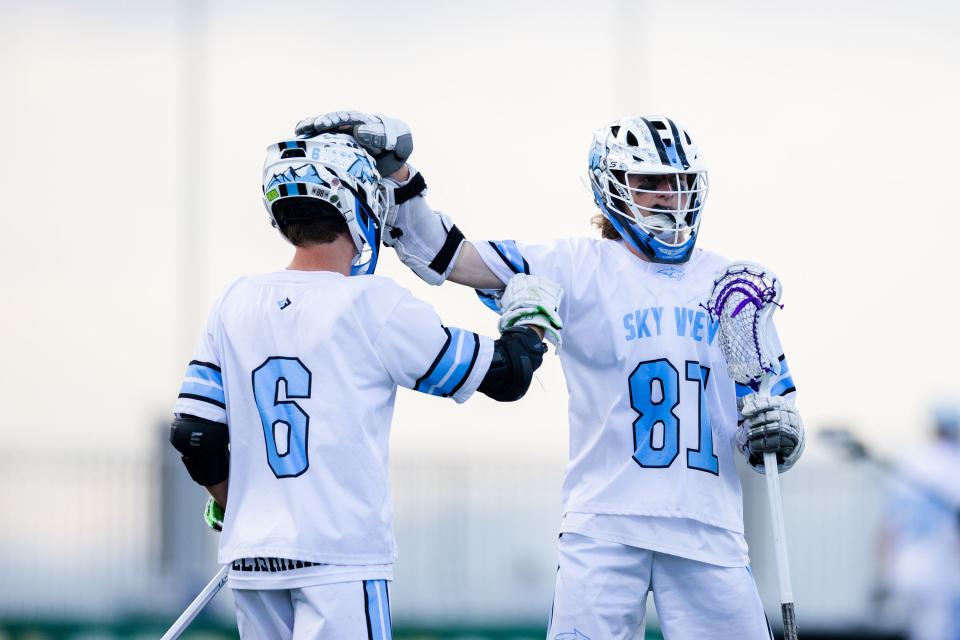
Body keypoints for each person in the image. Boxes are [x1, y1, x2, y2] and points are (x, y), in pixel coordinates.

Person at [294, 112, 806, 639]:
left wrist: (782, 433)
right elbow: (447, 257)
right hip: (606, 524)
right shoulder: (577, 267)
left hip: (708, 527)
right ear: (611, 187)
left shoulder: (736, 285)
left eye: (677, 183)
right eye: (649, 182)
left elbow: (767, 422)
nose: (667, 196)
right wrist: (399, 176)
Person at [168, 132, 563, 639]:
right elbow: (505, 377)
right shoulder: (373, 304)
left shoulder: (235, 300)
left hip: (253, 560)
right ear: (360, 204)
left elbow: (194, 435)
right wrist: (529, 324)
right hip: (340, 561)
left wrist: (231, 500)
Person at [877, 405, 960, 640]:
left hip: (907, 567)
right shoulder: (954, 464)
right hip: (942, 570)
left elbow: (888, 526)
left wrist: (886, 573)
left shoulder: (911, 460)